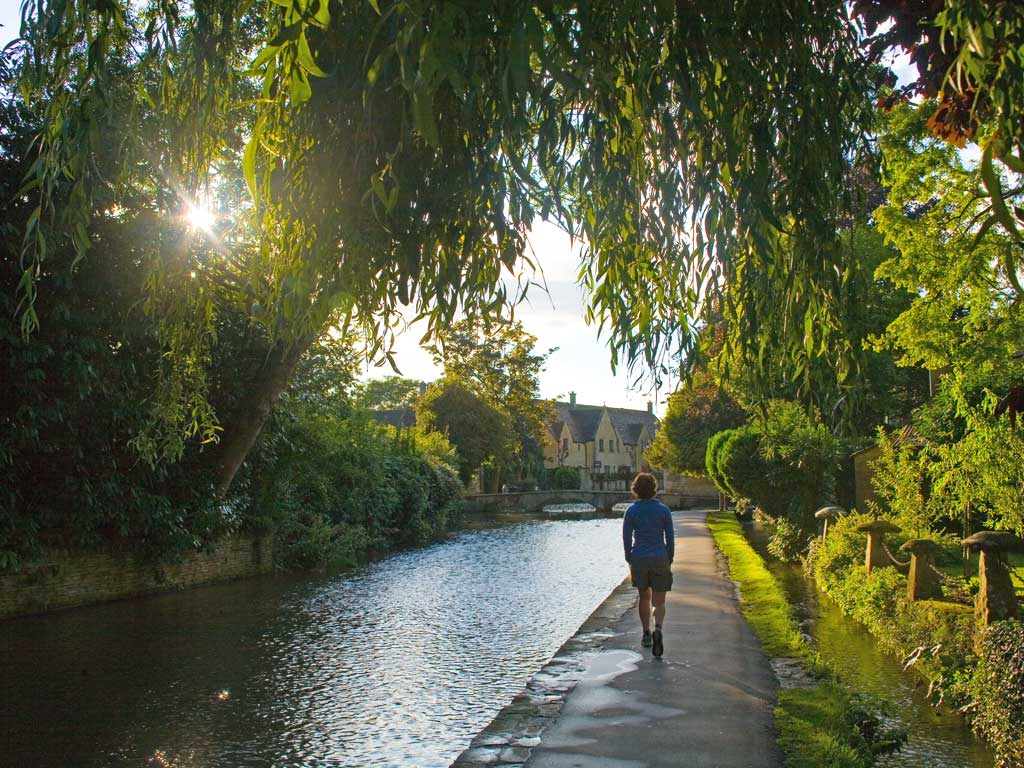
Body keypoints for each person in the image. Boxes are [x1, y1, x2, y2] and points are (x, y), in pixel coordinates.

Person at [622, 472, 674, 657]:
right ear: (654, 489)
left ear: (635, 490)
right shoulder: (663, 510)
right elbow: (670, 537)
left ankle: (645, 633)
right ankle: (657, 628)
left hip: (640, 557)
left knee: (644, 597)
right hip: (660, 556)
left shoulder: (631, 511)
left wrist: (630, 557)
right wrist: (669, 557)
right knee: (659, 601)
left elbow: (627, 539)